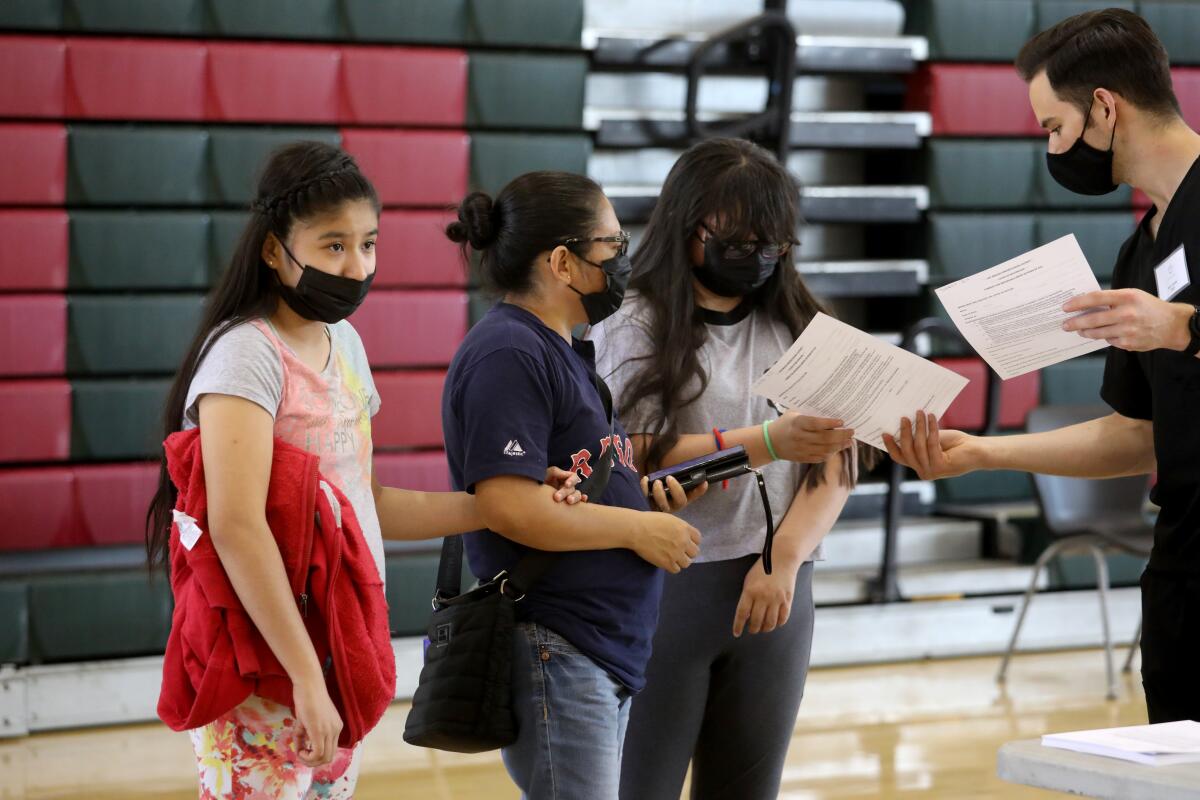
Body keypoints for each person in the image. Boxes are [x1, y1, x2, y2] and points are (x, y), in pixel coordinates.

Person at [144, 142, 584, 800]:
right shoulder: (245, 356)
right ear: (274, 251)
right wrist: (304, 677)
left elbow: (365, 501)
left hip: (338, 644)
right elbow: (237, 528)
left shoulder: (344, 344)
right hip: (266, 659)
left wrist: (503, 502)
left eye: (368, 243)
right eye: (332, 246)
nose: (357, 266)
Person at [885, 9, 1200, 724]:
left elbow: (1182, 332)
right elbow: (1134, 435)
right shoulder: (1140, 251)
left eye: (1055, 128)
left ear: (1105, 107)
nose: (1054, 148)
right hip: (1181, 570)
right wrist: (982, 453)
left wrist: (1184, 327)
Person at [591, 137, 866, 799]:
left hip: (776, 588)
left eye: (771, 240)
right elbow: (631, 451)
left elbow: (840, 460)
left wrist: (785, 559)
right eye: (737, 237)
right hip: (666, 583)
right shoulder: (633, 322)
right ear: (688, 226)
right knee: (640, 786)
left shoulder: (802, 323)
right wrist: (765, 441)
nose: (756, 253)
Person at [441, 171, 708, 800]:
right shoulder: (508, 351)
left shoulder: (562, 347)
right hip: (557, 644)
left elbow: (568, 487)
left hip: (596, 646)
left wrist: (642, 499)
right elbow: (507, 506)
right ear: (562, 261)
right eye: (612, 246)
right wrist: (638, 527)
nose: (624, 260)